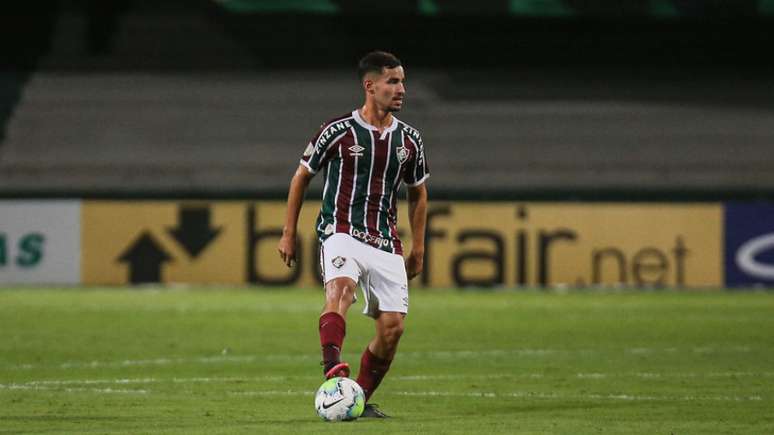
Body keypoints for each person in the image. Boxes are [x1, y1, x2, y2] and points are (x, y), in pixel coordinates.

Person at [277, 50, 429, 418]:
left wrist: (419, 246)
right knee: (340, 289)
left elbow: (418, 192)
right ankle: (333, 369)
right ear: (370, 85)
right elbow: (302, 176)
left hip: (385, 239)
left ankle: (354, 397)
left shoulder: (409, 140)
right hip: (340, 230)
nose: (401, 89)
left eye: (402, 81)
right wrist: (288, 232)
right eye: (393, 82)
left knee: (392, 330)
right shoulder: (338, 130)